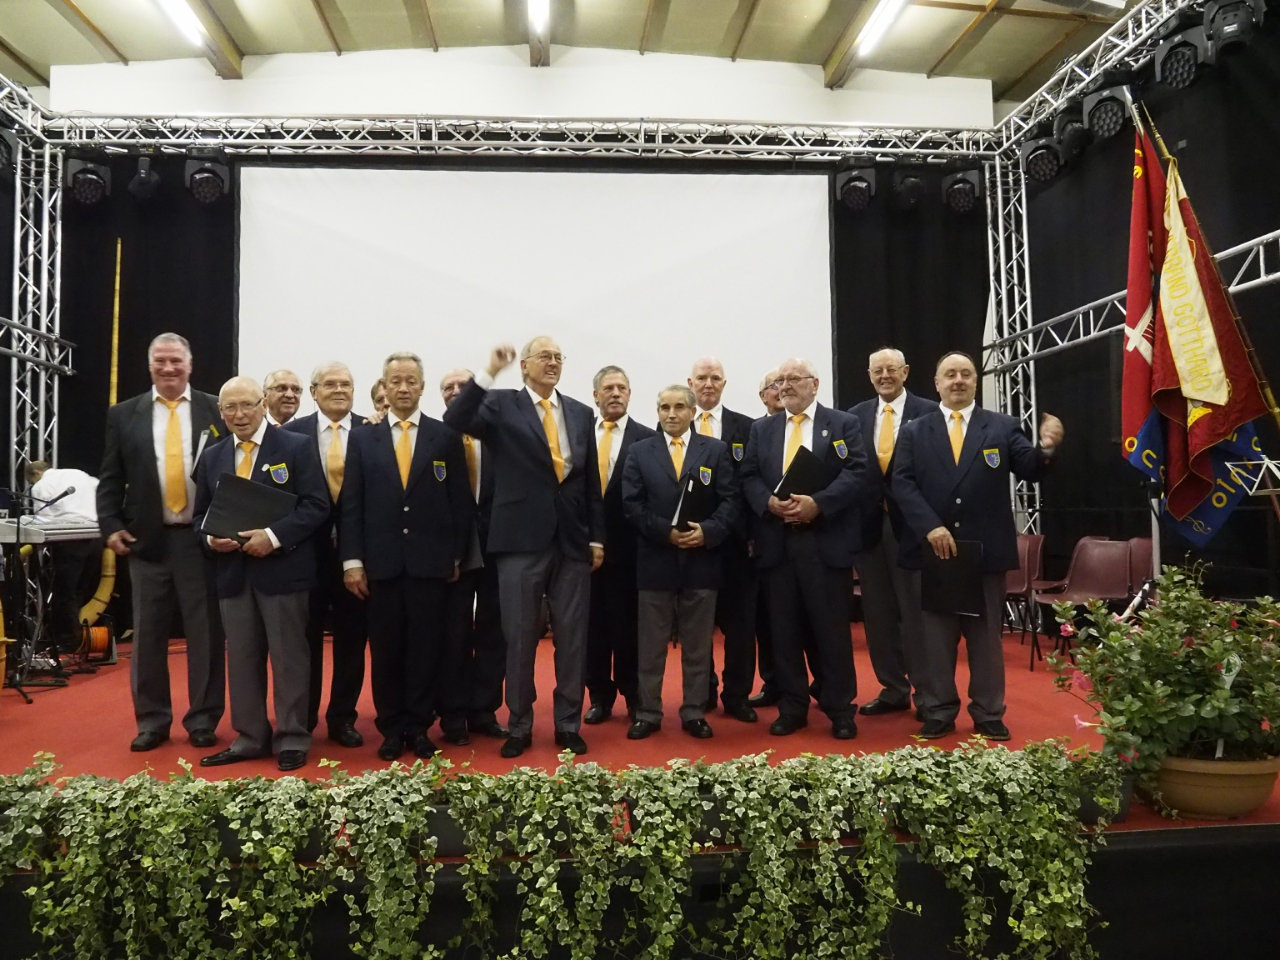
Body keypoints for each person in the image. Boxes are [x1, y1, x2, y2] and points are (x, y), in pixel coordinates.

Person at [442, 337, 605, 759]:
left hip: (572, 540)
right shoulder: (501, 404)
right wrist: (489, 371)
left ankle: (568, 723)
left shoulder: (580, 412)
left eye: (558, 357)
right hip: (519, 539)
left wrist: (596, 537)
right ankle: (519, 724)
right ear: (525, 365)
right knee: (518, 638)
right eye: (544, 357)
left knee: (573, 637)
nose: (552, 363)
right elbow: (456, 417)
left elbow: (590, 482)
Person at [892, 351, 1063, 741]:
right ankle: (938, 709)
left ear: (975, 382)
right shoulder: (914, 431)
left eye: (966, 374)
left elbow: (1030, 467)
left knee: (985, 639)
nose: (958, 380)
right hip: (934, 552)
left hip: (984, 553)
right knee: (936, 640)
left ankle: (988, 712)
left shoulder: (1002, 426)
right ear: (936, 383)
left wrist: (1047, 448)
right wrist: (930, 527)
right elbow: (902, 483)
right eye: (950, 374)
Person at [97, 332, 226, 752]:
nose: (168, 368)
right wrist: (109, 524)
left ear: (190, 365)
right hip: (147, 542)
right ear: (150, 365)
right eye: (160, 361)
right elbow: (111, 476)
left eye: (176, 361)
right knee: (148, 637)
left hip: (200, 540)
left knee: (206, 637)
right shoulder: (124, 414)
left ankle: (203, 719)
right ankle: (152, 721)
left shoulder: (215, 408)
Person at [340, 352, 472, 761]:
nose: (402, 388)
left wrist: (456, 555)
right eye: (395, 381)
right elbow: (352, 504)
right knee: (386, 651)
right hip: (380, 565)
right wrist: (352, 561)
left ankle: (418, 726)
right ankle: (391, 728)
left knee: (425, 650)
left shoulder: (444, 436)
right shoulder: (363, 437)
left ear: (422, 386)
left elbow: (459, 501)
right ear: (383, 386)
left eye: (410, 381)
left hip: (430, 564)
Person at [194, 377, 329, 771]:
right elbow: (199, 516)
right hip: (233, 576)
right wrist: (210, 539)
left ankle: (292, 737)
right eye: (230, 408)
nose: (240, 414)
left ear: (263, 405)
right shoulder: (213, 457)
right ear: (220, 413)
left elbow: (316, 506)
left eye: (247, 405)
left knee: (289, 658)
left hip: (283, 572)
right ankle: (251, 737)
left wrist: (272, 537)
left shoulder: (297, 447)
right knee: (241, 659)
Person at [741, 357, 867, 740]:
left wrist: (819, 503)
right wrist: (767, 502)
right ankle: (792, 707)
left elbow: (857, 471)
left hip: (823, 542)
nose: (785, 386)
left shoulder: (842, 424)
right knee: (784, 632)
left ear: (814, 384)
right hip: (777, 544)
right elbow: (748, 475)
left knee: (831, 632)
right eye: (780, 380)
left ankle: (840, 709)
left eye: (793, 379)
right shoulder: (762, 429)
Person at [622, 385, 738, 740]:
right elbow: (632, 504)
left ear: (692, 412)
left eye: (678, 407)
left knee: (698, 645)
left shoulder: (715, 450)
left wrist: (708, 531)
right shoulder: (640, 451)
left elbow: (730, 501)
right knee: (651, 645)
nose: (671, 414)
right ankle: (648, 712)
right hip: (655, 561)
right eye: (664, 408)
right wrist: (665, 533)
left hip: (701, 561)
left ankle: (693, 711)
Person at [281, 361, 369, 747]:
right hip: (304, 556)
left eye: (345, 384)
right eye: (329, 384)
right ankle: (303, 716)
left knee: (352, 640)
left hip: (358, 557)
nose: (339, 390)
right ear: (313, 392)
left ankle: (342, 718)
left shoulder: (372, 432)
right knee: (305, 641)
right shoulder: (290, 434)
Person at [848, 348, 936, 719]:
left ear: (906, 371)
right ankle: (893, 688)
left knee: (917, 614)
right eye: (877, 371)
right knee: (878, 614)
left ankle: (928, 694)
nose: (884, 376)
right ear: (869, 375)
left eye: (891, 369)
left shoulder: (930, 412)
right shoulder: (854, 416)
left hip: (913, 528)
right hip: (869, 529)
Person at [438, 367, 509, 745]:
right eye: (448, 387)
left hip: (498, 544)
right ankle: (452, 715)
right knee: (454, 634)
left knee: (494, 631)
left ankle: (483, 710)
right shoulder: (436, 435)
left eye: (462, 385)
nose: (455, 390)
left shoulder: (499, 433)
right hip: (453, 550)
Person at [685, 357, 758, 723]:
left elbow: (752, 484)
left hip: (737, 545)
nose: (708, 384)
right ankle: (704, 691)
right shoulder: (674, 424)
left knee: (740, 627)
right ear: (690, 383)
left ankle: (737, 696)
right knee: (697, 627)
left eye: (715, 378)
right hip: (692, 543)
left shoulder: (747, 427)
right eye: (702, 378)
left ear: (724, 384)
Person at [584, 365, 655, 726]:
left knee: (629, 629)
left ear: (629, 394)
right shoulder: (579, 435)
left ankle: (633, 695)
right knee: (591, 630)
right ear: (595, 395)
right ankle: (599, 696)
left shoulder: (648, 438)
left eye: (622, 388)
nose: (615, 393)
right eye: (608, 388)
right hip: (584, 550)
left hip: (630, 552)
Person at [24, 461, 101, 654]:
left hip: (70, 539)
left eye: (31, 481)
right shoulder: (79, 472)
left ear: (36, 473)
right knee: (79, 591)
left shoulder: (42, 485)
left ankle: (66, 641)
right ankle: (76, 637)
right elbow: (102, 490)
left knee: (64, 593)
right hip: (95, 536)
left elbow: (43, 521)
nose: (32, 485)